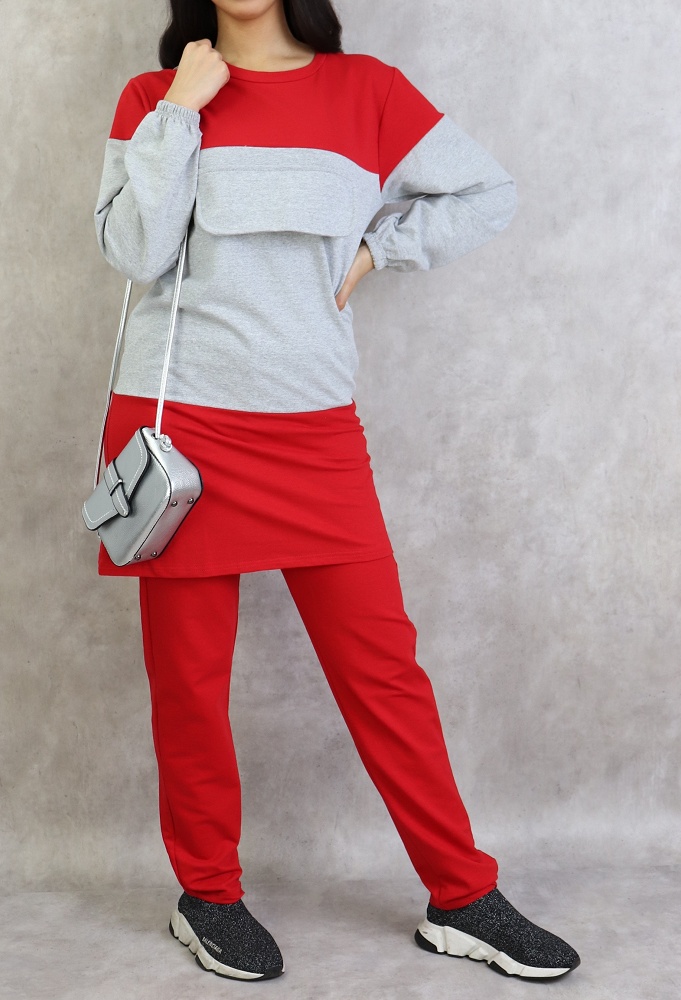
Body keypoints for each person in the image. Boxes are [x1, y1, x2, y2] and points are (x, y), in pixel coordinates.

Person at [92, 0, 580, 984]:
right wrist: (182, 111)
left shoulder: (367, 92)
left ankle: (461, 894)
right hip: (180, 428)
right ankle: (206, 894)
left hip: (311, 426)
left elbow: (486, 190)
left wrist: (379, 249)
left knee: (382, 672)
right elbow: (134, 253)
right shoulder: (153, 95)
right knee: (189, 683)